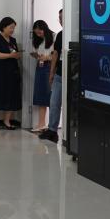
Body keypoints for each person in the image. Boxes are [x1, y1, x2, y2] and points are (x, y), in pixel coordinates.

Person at [41, 9, 64, 144]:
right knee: (54, 102)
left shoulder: (76, 33)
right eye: (59, 18)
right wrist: (51, 73)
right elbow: (55, 54)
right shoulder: (60, 35)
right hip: (59, 74)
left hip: (72, 76)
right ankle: (52, 131)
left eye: (63, 17)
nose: (61, 21)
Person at [29, 19, 54, 134]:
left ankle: (51, 125)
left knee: (50, 96)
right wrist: (37, 56)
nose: (38, 34)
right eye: (36, 32)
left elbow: (57, 55)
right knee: (40, 95)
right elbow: (36, 52)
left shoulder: (54, 36)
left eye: (40, 31)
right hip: (40, 67)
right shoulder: (38, 40)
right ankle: (41, 124)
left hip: (50, 67)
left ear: (45, 28)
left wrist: (47, 57)